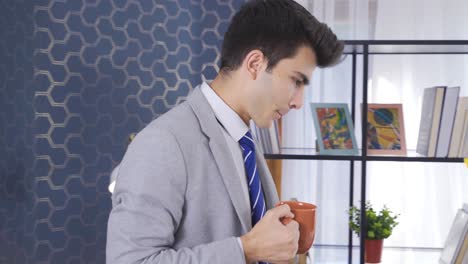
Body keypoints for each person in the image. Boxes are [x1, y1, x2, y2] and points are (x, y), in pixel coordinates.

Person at [106, 0, 343, 263]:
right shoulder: (162, 142)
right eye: (296, 81)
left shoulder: (244, 139)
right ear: (254, 64)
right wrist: (246, 249)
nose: (299, 102)